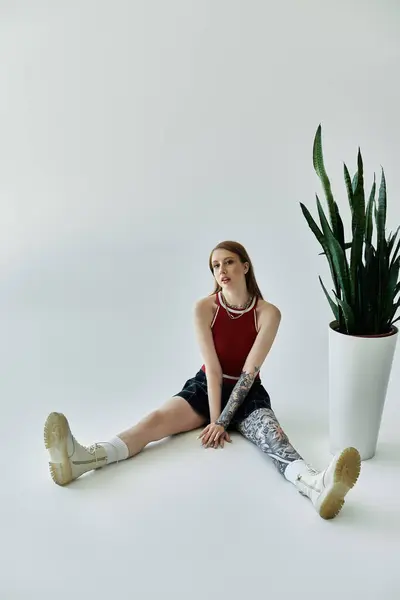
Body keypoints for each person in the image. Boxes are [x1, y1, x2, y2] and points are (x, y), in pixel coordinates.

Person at [43, 240, 361, 520]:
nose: (221, 269)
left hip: (247, 394)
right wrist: (214, 421)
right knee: (152, 422)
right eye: (215, 265)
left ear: (245, 266)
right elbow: (211, 366)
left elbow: (249, 371)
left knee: (276, 440)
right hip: (204, 387)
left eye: (229, 262)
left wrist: (222, 422)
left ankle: (316, 487)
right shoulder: (204, 308)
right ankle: (82, 459)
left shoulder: (268, 313)